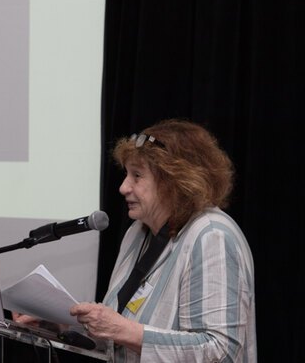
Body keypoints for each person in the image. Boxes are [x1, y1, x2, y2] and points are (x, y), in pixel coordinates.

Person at [67, 119, 256, 361]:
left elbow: (220, 350)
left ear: (174, 181)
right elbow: (117, 338)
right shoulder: (137, 233)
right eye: (127, 174)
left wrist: (124, 331)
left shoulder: (212, 236)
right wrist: (60, 326)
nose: (123, 187)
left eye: (137, 176)